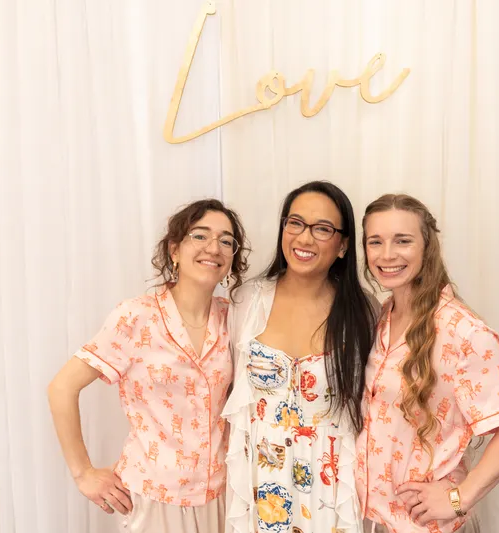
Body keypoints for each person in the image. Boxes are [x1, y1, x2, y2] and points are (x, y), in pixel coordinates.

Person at [47, 199, 249, 533]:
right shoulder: (135, 316)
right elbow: (61, 388)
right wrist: (84, 473)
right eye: (200, 236)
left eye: (226, 241)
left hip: (221, 496)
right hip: (153, 496)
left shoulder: (234, 317)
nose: (213, 247)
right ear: (174, 250)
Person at [356, 194, 499, 533]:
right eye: (375, 242)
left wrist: (459, 498)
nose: (387, 254)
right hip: (378, 520)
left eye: (402, 241)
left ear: (427, 246)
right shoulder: (383, 317)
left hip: (427, 526)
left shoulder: (461, 330)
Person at [222, 181, 377, 533]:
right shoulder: (246, 302)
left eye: (322, 229)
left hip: (332, 480)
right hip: (261, 476)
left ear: (343, 245)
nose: (304, 239)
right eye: (295, 223)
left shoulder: (363, 311)